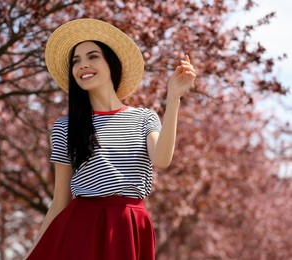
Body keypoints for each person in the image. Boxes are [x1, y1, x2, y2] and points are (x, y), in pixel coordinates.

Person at [24, 18, 196, 260]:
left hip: (131, 224)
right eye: (76, 60)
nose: (83, 65)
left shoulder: (144, 118)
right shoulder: (65, 126)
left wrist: (174, 97)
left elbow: (161, 159)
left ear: (111, 63)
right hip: (81, 228)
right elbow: (59, 200)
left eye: (93, 56)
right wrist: (32, 252)